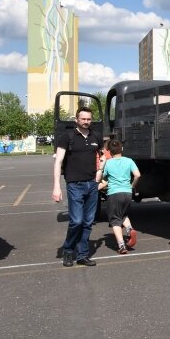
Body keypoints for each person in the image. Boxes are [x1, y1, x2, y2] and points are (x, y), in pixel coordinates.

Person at [52, 106, 101, 267]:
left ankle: (82, 255)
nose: (86, 122)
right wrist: (56, 187)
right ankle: (68, 250)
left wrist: (99, 174)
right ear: (76, 120)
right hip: (75, 184)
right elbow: (58, 161)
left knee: (88, 222)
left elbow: (101, 157)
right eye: (83, 119)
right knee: (77, 221)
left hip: (92, 185)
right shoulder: (67, 137)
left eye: (88, 119)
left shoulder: (95, 136)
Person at [99, 139, 141, 253]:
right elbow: (137, 175)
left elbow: (103, 179)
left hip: (114, 193)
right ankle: (129, 229)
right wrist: (132, 186)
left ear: (109, 151)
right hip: (127, 192)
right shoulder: (129, 161)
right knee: (123, 214)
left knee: (115, 220)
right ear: (121, 149)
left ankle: (121, 246)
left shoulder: (109, 163)